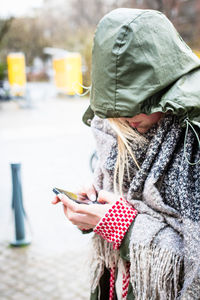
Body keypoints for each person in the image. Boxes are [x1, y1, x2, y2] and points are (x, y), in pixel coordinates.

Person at [52, 8, 200, 300]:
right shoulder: (111, 129)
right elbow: (119, 204)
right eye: (120, 105)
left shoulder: (193, 141)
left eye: (143, 101)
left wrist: (122, 226)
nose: (130, 114)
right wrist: (93, 211)